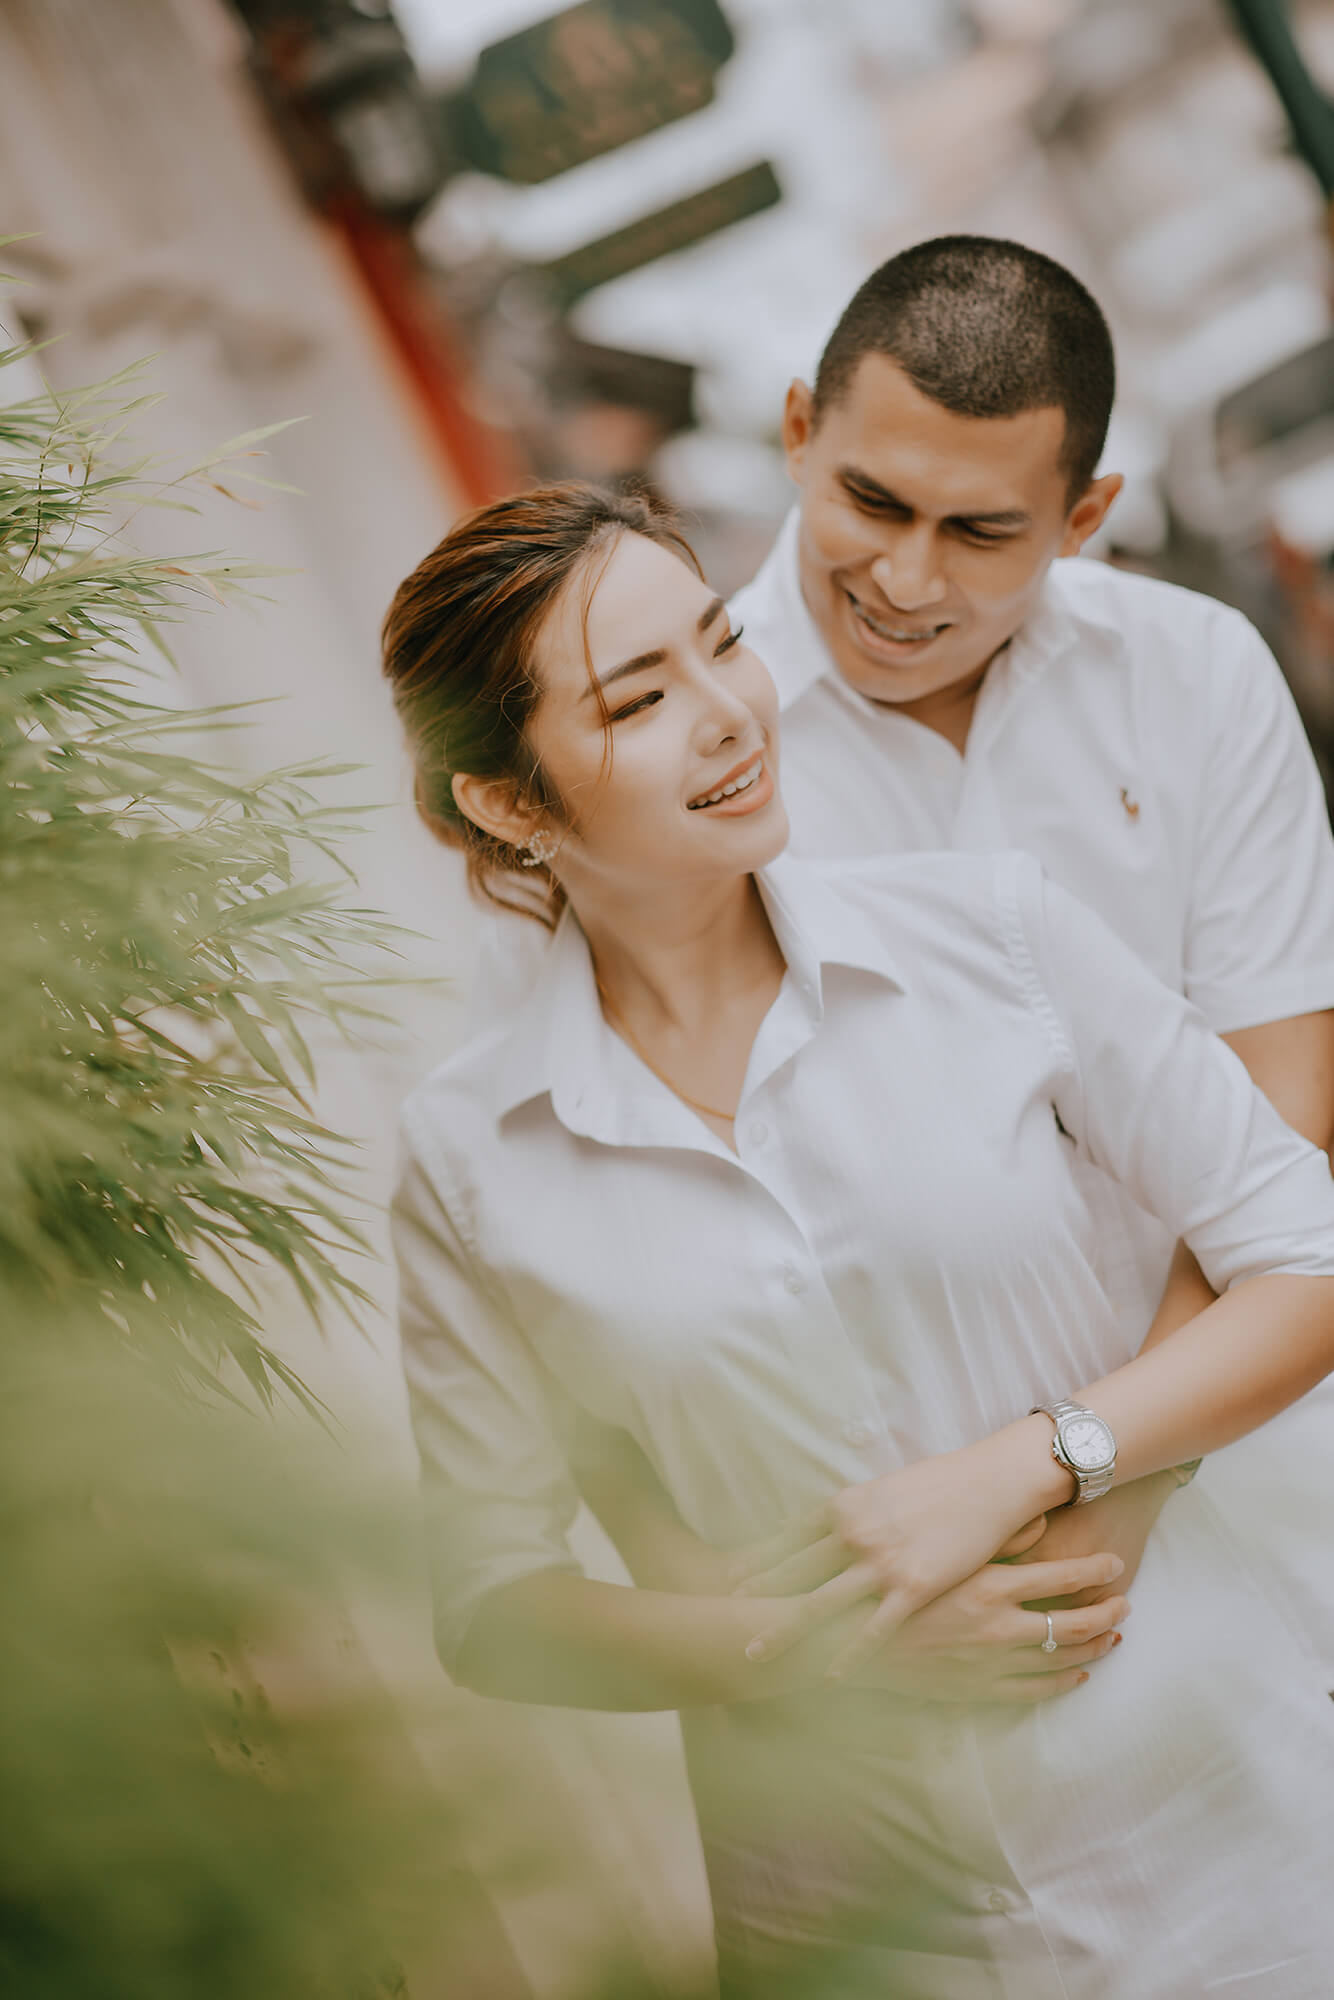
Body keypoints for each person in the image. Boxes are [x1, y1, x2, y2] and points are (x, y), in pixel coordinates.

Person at [385, 482, 1334, 1999]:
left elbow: (1303, 1251)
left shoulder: (995, 937)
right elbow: (494, 1601)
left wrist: (1028, 1463)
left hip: (1227, 1823)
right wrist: (813, 1649)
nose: (726, 712)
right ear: (507, 800)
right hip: (857, 1904)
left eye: (716, 646)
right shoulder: (468, 1151)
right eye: (639, 698)